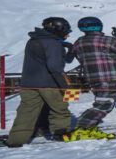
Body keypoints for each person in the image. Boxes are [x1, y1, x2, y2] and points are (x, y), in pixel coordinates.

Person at [6, 18, 74, 147]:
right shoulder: (53, 43)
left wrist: (69, 51)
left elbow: (58, 60)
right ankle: (61, 133)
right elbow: (55, 67)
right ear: (57, 30)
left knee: (27, 111)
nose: (68, 35)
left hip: (28, 84)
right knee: (60, 109)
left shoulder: (33, 41)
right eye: (66, 31)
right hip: (49, 84)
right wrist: (66, 86)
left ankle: (16, 140)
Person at [69, 17, 116, 139]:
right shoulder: (106, 40)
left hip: (93, 78)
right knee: (104, 105)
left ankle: (90, 129)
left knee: (102, 103)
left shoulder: (78, 42)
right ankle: (82, 128)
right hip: (110, 78)